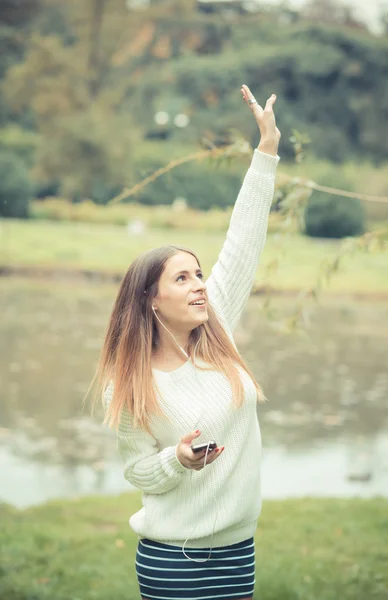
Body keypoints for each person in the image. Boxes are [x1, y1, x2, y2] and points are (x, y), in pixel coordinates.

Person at [97, 84, 281, 600]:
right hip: (173, 559)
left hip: (239, 550)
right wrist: (177, 459)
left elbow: (244, 238)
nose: (199, 284)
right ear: (152, 300)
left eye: (198, 274)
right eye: (182, 279)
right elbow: (138, 471)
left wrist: (266, 150)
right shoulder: (132, 382)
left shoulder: (214, 327)